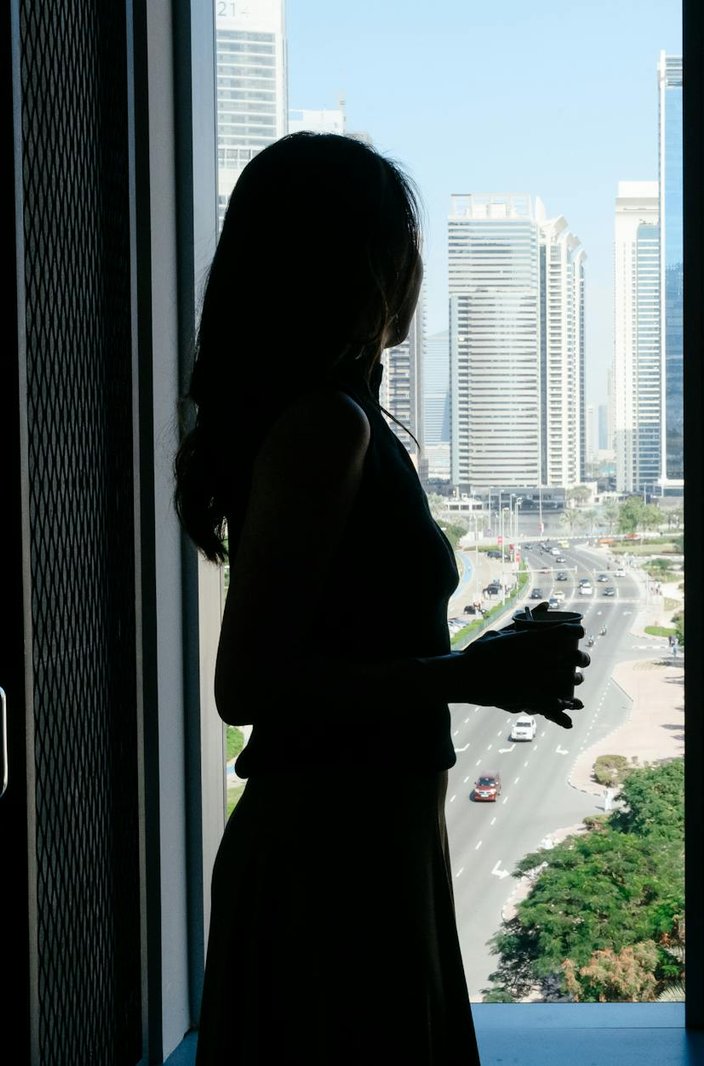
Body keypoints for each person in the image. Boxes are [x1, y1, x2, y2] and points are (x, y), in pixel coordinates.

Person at [174, 132, 586, 1065]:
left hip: (364, 846)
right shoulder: (327, 426)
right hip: (336, 865)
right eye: (402, 241)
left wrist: (473, 667)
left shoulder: (330, 416)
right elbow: (249, 686)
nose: (418, 267)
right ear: (359, 264)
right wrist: (470, 674)